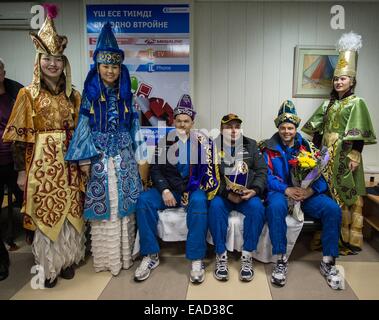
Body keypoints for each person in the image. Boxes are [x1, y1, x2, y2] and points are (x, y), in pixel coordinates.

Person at [2, 6, 86, 288]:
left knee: (70, 214)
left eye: (58, 60)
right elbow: (18, 136)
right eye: (47, 59)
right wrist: (21, 172)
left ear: (64, 63)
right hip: (40, 165)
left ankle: (67, 261)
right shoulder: (27, 94)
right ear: (40, 61)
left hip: (70, 163)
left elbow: (82, 131)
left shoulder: (73, 95)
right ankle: (48, 267)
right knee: (46, 213)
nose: (53, 64)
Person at [65, 22, 147, 276]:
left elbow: (136, 127)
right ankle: (107, 258)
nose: (110, 71)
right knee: (107, 204)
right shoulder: (89, 96)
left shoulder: (128, 96)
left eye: (114, 66)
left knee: (126, 204)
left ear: (119, 67)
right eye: (105, 66)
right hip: (99, 158)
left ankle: (125, 257)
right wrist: (85, 159)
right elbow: (83, 127)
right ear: (97, 67)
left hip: (124, 156)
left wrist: (141, 157)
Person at [302, 32, 377, 255]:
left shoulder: (357, 103)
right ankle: (324, 236)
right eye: (336, 79)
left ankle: (344, 241)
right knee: (325, 194)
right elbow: (315, 131)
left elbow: (359, 133)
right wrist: (314, 153)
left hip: (345, 158)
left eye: (343, 79)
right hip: (326, 157)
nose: (338, 82)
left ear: (352, 81)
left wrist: (355, 155)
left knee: (344, 196)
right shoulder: (328, 105)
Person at [134, 94, 219, 284]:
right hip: (169, 189)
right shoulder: (165, 142)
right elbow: (155, 169)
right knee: (144, 201)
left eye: (186, 121)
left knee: (199, 201)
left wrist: (197, 189)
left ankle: (197, 258)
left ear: (192, 123)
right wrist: (164, 190)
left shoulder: (204, 143)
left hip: (193, 189)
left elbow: (210, 171)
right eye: (179, 121)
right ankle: (150, 255)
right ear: (173, 121)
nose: (182, 124)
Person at [260, 100, 343, 289]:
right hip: (280, 193)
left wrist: (310, 191)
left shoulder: (308, 148)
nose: (286, 131)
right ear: (278, 128)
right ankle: (280, 259)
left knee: (332, 209)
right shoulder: (267, 148)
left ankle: (328, 261)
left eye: (290, 128)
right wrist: (286, 189)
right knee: (274, 207)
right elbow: (265, 176)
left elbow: (321, 177)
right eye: (283, 128)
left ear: (295, 128)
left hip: (305, 194)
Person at [208, 114, 266, 282]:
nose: (233, 130)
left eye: (236, 126)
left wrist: (254, 190)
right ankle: (221, 254)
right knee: (216, 207)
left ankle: (247, 255)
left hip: (247, 194)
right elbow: (208, 175)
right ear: (221, 129)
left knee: (257, 208)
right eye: (228, 127)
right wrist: (227, 194)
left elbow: (262, 171)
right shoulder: (211, 146)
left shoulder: (252, 145)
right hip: (224, 195)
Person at [0, 58, 23, 250]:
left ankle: (30, 235)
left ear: (3, 73)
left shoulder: (17, 93)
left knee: (24, 199)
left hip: (14, 159)